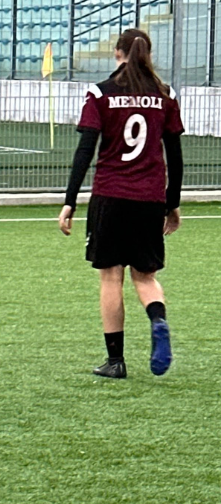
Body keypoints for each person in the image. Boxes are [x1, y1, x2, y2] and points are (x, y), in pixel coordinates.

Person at [59, 28, 183, 378]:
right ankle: (157, 320)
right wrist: (171, 203)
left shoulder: (100, 93)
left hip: (111, 196)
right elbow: (175, 156)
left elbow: (86, 151)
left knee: (110, 277)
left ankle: (116, 361)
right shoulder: (165, 95)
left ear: (117, 53)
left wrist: (70, 201)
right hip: (149, 198)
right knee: (145, 277)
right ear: (148, 54)